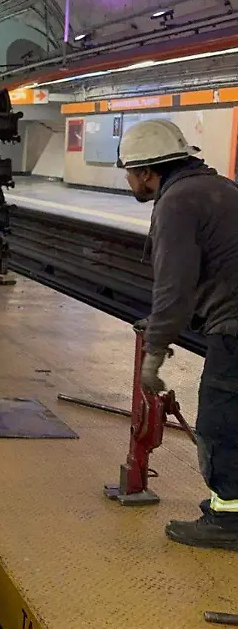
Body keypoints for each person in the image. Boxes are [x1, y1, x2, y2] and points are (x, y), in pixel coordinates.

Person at [121, 119, 238, 550]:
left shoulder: (176, 202)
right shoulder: (222, 188)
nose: (129, 181)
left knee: (221, 424)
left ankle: (228, 521)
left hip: (234, 329)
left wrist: (155, 350)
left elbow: (174, 287)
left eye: (129, 173)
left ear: (147, 172)